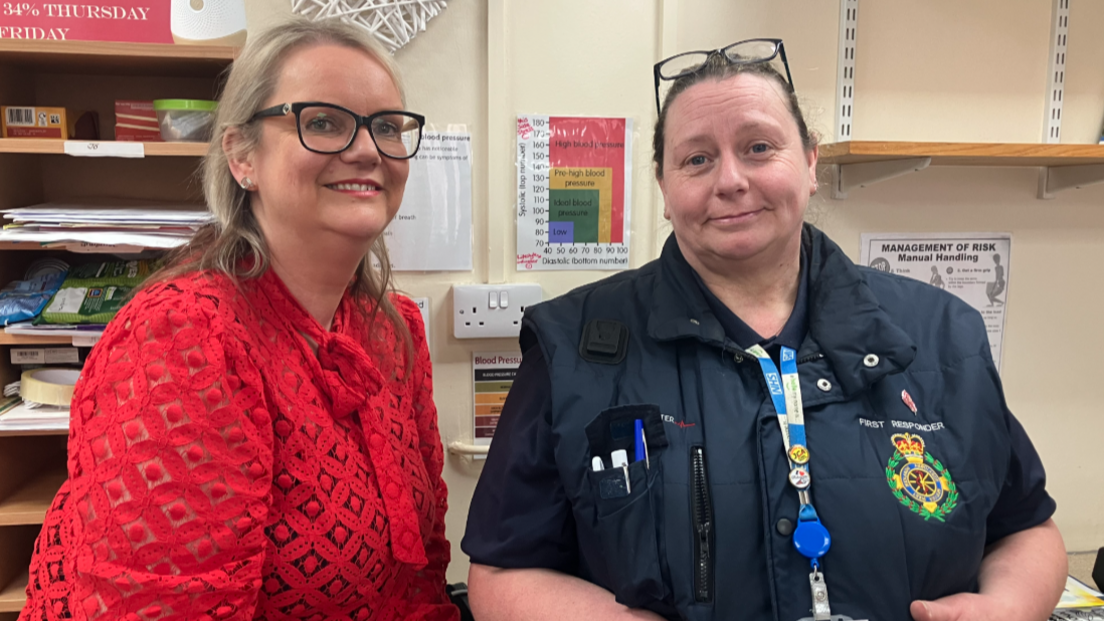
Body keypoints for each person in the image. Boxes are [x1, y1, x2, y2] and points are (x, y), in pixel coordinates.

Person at [462, 39, 1066, 621]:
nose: (730, 180)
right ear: (665, 189)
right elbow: (505, 572)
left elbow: (1027, 528)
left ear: (809, 162)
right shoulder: (574, 344)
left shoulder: (941, 333)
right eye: (697, 158)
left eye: (758, 147)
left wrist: (1008, 607)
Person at [21, 18, 458, 621]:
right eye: (323, 121)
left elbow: (422, 575)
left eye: (386, 126)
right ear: (241, 156)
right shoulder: (184, 338)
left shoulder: (393, 329)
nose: (366, 149)